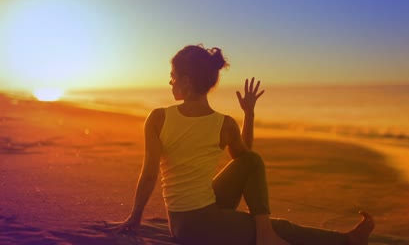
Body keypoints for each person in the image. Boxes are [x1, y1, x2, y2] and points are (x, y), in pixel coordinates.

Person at [114, 45, 374, 245]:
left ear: (187, 80)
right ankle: (344, 241)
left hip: (189, 217)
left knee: (253, 163)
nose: (170, 82)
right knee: (277, 225)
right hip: (195, 225)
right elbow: (247, 160)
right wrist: (134, 217)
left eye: (173, 76)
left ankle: (264, 232)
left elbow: (151, 174)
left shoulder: (159, 118)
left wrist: (248, 115)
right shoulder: (223, 123)